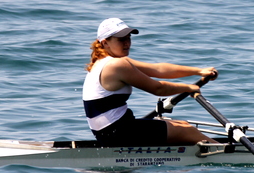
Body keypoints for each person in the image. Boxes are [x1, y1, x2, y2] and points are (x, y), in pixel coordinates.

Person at [83, 17, 218, 146]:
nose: (127, 43)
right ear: (105, 42)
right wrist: (188, 88)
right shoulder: (116, 65)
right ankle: (228, 152)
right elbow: (158, 89)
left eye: (128, 38)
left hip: (109, 132)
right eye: (121, 39)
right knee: (188, 131)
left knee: (183, 124)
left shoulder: (103, 62)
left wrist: (199, 71)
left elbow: (158, 69)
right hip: (117, 133)